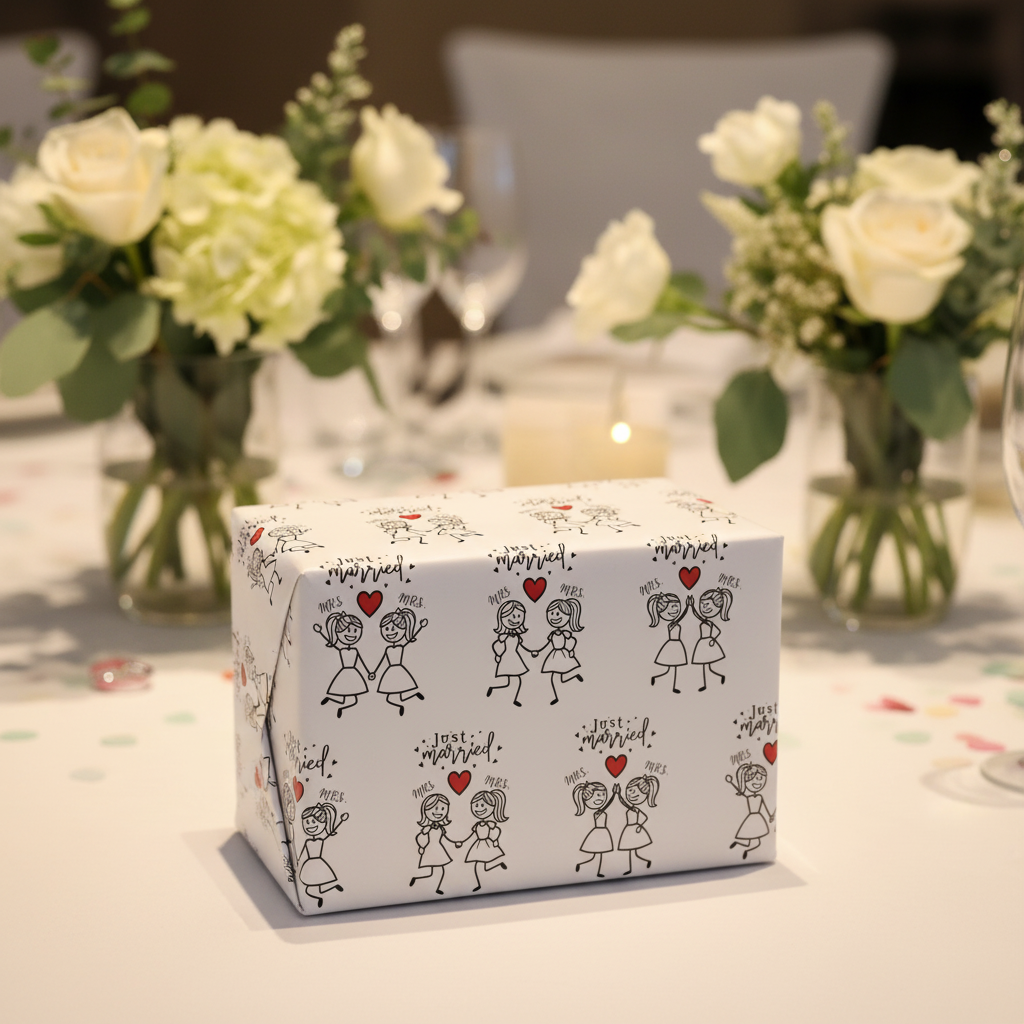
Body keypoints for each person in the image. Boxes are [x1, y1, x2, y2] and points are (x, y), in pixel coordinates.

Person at [370, 608, 428, 715]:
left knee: (392, 696)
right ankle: (406, 701)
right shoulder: (389, 649)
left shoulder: (400, 647)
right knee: (394, 696)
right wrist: (374, 672)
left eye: (393, 628)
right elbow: (382, 661)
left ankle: (408, 699)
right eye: (386, 628)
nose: (390, 632)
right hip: (392, 672)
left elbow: (410, 640)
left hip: (397, 670)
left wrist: (420, 627)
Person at [315, 612, 370, 717]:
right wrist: (321, 632)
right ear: (338, 631)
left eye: (355, 631)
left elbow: (361, 662)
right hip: (349, 674)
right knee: (353, 700)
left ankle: (332, 700)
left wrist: (369, 672)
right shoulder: (344, 650)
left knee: (346, 699)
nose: (352, 634)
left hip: (349, 674)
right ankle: (339, 707)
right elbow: (330, 643)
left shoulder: (351, 650)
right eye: (348, 630)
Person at [531, 598, 584, 705]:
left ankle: (574, 676)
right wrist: (538, 651)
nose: (554, 616)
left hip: (563, 654)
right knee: (555, 677)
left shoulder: (566, 633)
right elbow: (548, 645)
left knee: (562, 676)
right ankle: (556, 697)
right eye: (552, 613)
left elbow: (572, 641)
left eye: (558, 613)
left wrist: (571, 650)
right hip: (554, 655)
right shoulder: (552, 634)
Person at [297, 803, 348, 908]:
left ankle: (324, 894)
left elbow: (328, 835)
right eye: (307, 822)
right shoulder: (308, 841)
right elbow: (302, 853)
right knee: (311, 888)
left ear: (323, 823)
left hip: (317, 864)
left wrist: (340, 822)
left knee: (312, 887)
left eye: (313, 821)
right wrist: (297, 859)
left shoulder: (320, 840)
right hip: (311, 865)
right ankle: (329, 890)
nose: (310, 825)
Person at [461, 790, 509, 892]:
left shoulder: (490, 823)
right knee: (479, 866)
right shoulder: (477, 825)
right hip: (478, 844)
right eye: (476, 805)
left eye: (482, 805)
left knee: (485, 865)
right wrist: (462, 842)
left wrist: (495, 840)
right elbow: (471, 835)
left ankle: (498, 865)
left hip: (487, 843)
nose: (479, 808)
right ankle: (479, 884)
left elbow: (497, 830)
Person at [410, 793, 456, 895]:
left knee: (438, 872)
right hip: (431, 849)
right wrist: (421, 847)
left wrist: (455, 843)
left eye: (443, 809)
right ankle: (417, 879)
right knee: (433, 873)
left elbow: (445, 838)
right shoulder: (427, 828)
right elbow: (419, 837)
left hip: (439, 849)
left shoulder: (441, 827)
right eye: (435, 808)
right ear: (426, 809)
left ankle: (436, 888)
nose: (439, 812)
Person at [726, 762, 774, 860]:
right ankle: (745, 850)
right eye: (755, 779)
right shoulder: (751, 797)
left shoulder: (755, 796)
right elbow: (741, 792)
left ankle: (739, 844)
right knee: (757, 842)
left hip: (754, 818)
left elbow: (764, 806)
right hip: (755, 818)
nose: (758, 782)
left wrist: (770, 816)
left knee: (749, 841)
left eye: (761, 778)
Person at [488, 600, 530, 706]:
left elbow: (521, 647)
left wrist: (531, 652)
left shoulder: (517, 635)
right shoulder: (504, 636)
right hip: (507, 658)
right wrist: (498, 655)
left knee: (517, 680)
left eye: (518, 616)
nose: (515, 619)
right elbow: (495, 645)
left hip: (515, 658)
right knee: (507, 682)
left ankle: (515, 699)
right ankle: (492, 688)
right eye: (512, 616)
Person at [690, 587, 732, 691]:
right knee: (705, 667)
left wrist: (713, 640)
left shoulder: (709, 622)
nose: (704, 607)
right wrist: (691, 606)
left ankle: (717, 678)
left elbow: (718, 631)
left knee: (707, 666)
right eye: (702, 604)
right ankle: (706, 684)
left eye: (707, 604)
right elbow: (698, 616)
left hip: (707, 643)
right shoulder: (705, 621)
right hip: (702, 643)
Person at [616, 775, 659, 874]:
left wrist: (640, 826)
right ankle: (635, 867)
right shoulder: (632, 807)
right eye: (629, 790)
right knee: (633, 852)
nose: (630, 794)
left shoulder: (635, 809)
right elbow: (624, 803)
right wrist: (618, 794)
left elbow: (645, 817)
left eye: (634, 791)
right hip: (629, 829)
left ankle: (633, 868)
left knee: (632, 852)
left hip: (633, 829)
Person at [573, 781, 616, 877]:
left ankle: (598, 871)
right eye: (598, 795)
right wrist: (614, 795)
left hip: (603, 832)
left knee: (598, 855)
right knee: (595, 856)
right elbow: (607, 805)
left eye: (603, 794)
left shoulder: (599, 811)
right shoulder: (597, 813)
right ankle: (581, 865)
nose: (601, 798)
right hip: (599, 833)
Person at [647, 592, 688, 692]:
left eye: (676, 606)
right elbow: (681, 617)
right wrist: (687, 607)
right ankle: (658, 679)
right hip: (672, 645)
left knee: (673, 669)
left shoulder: (673, 623)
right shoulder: (671, 625)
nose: (675, 610)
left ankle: (673, 686)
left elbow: (680, 617)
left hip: (677, 645)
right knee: (671, 669)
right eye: (672, 607)